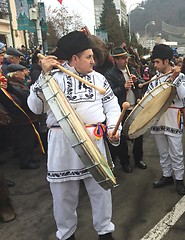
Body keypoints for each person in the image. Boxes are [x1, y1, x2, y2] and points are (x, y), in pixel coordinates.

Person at [27, 31, 121, 240]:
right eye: (89, 57)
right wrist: (43, 77)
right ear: (74, 59)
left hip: (94, 140)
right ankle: (66, 234)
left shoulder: (99, 79)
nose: (93, 61)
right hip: (62, 144)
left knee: (101, 189)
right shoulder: (52, 79)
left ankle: (105, 231)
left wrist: (114, 128)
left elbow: (112, 105)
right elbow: (35, 108)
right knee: (63, 195)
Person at [146, 44, 185, 195]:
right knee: (163, 151)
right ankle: (167, 175)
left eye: (157, 62)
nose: (155, 65)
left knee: (176, 151)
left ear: (166, 61)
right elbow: (148, 97)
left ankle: (179, 179)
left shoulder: (181, 76)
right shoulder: (154, 79)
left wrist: (174, 78)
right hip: (158, 119)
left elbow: (182, 95)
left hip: (173, 117)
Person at [104, 47, 146, 173]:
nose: (125, 60)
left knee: (139, 134)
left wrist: (137, 80)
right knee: (121, 138)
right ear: (115, 60)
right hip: (121, 109)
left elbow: (142, 83)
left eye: (126, 57)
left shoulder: (132, 70)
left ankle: (139, 159)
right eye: (122, 58)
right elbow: (109, 94)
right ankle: (125, 161)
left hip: (135, 107)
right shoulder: (109, 74)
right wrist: (123, 87)